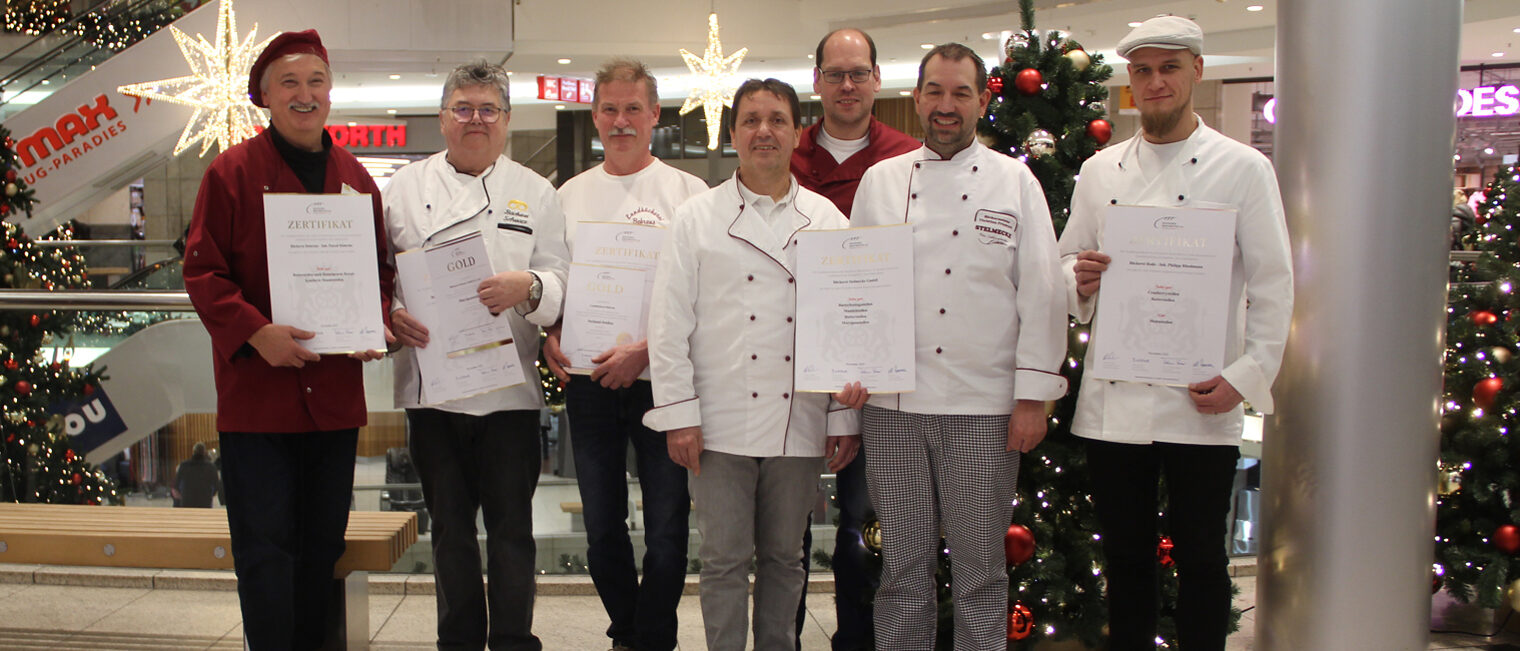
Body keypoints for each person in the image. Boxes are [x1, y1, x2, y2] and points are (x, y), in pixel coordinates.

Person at [1059, 15, 1293, 651]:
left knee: (1202, 561)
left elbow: (1274, 282)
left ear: (1195, 70)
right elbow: (1065, 261)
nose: (1155, 82)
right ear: (1130, 83)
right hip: (1115, 404)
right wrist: (1077, 279)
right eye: (1142, 71)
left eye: (1168, 68)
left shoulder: (1243, 168)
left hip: (1202, 394)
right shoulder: (1099, 170)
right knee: (1128, 562)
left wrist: (1244, 377)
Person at [850, 43, 1068, 648]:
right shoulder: (881, 182)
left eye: (961, 93)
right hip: (893, 407)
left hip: (984, 408)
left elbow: (1044, 294)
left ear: (983, 100)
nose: (947, 106)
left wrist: (1033, 397)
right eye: (936, 92)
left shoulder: (1014, 180)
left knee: (980, 573)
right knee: (901, 573)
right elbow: (856, 289)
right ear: (917, 98)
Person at [182, 29, 393, 650]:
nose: (305, 95)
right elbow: (203, 272)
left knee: (323, 546)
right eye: (290, 83)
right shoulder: (230, 173)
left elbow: (379, 271)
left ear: (330, 93)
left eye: (316, 82)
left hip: (331, 400)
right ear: (266, 96)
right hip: (258, 401)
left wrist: (371, 319)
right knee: (265, 550)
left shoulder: (357, 179)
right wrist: (257, 333)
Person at [642, 78, 866, 651]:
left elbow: (842, 327)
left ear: (797, 132)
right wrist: (678, 415)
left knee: (786, 558)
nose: (763, 131)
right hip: (717, 422)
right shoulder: (696, 218)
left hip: (800, 417)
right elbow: (669, 326)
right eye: (750, 120)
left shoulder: (827, 221)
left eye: (776, 119)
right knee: (721, 559)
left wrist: (841, 417)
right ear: (733, 132)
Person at [382, 60, 569, 651]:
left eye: (488, 109)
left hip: (509, 393)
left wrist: (531, 288)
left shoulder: (538, 193)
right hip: (430, 392)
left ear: (507, 121)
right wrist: (389, 313)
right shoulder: (402, 191)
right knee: (450, 532)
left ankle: (513, 640)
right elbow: (381, 279)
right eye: (463, 108)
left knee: (514, 531)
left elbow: (562, 278)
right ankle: (457, 641)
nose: (475, 120)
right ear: (442, 119)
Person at [544, 58, 707, 651]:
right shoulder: (568, 196)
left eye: (632, 108)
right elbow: (554, 286)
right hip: (589, 387)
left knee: (667, 529)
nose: (620, 121)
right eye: (608, 109)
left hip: (663, 383)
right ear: (594, 117)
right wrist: (551, 333)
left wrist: (647, 351)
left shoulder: (690, 195)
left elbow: (704, 297)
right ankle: (627, 631)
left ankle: (653, 636)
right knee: (601, 529)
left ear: (654, 114)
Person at [788, 29, 919, 650]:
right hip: (787, 372)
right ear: (816, 80)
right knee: (782, 533)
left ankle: (858, 641)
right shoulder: (781, 152)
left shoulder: (910, 161)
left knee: (864, 529)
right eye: (835, 74)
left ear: (876, 80)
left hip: (873, 383)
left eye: (858, 73)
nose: (847, 85)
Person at [171, 441, 221, 508]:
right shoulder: (211, 467)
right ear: (204, 452)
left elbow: (176, 486)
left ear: (193, 451)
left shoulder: (183, 465)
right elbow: (216, 486)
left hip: (187, 502)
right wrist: (208, 495)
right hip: (205, 502)